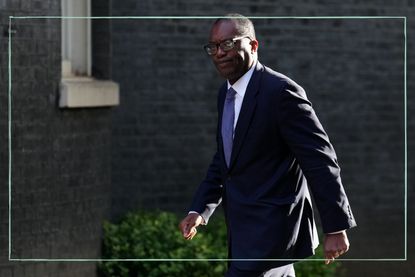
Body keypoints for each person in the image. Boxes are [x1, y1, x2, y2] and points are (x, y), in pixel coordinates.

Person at [179, 14, 357, 277]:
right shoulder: (225, 94)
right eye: (213, 47)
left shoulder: (282, 92)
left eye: (228, 44)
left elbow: (320, 160)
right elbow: (226, 158)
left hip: (273, 230)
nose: (219, 53)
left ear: (253, 46)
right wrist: (201, 208)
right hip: (243, 232)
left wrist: (335, 226)